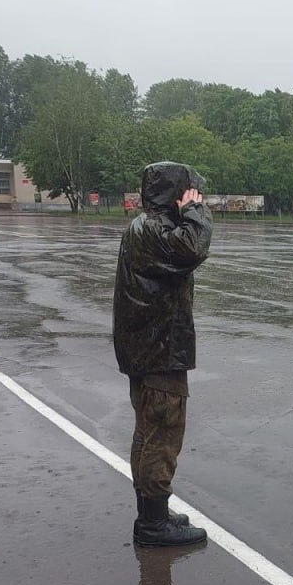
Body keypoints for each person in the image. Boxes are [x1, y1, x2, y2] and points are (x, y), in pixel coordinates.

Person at [113, 161, 212, 547]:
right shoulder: (156, 230)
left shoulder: (147, 227)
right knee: (162, 433)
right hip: (159, 351)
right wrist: (195, 212)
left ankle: (152, 511)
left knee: (148, 432)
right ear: (174, 194)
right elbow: (193, 248)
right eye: (189, 192)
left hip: (148, 349)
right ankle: (153, 525)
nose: (195, 198)